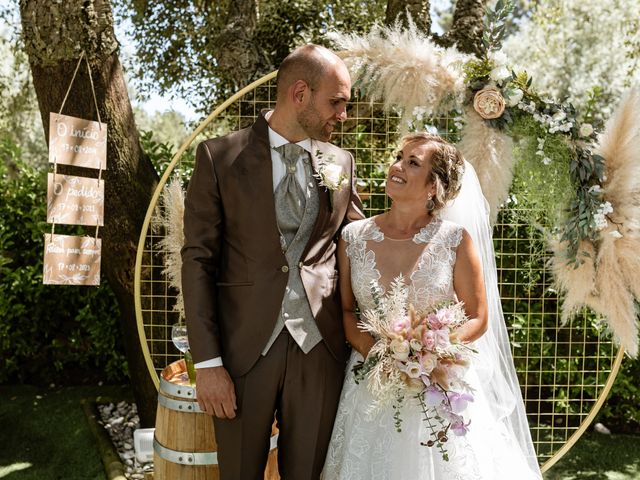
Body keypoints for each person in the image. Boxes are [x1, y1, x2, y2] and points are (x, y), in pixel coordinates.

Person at [181, 44, 364, 480]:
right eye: (335, 102)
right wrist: (207, 365)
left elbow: (360, 244)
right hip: (243, 352)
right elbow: (198, 262)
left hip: (320, 350)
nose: (343, 115)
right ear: (299, 93)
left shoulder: (342, 163)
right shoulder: (219, 157)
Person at [322, 133, 543, 479]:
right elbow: (347, 310)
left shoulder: (455, 240)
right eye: (399, 157)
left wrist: (434, 351)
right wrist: (379, 354)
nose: (397, 166)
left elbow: (478, 316)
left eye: (413, 163)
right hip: (371, 381)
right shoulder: (353, 237)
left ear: (433, 187)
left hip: (439, 384)